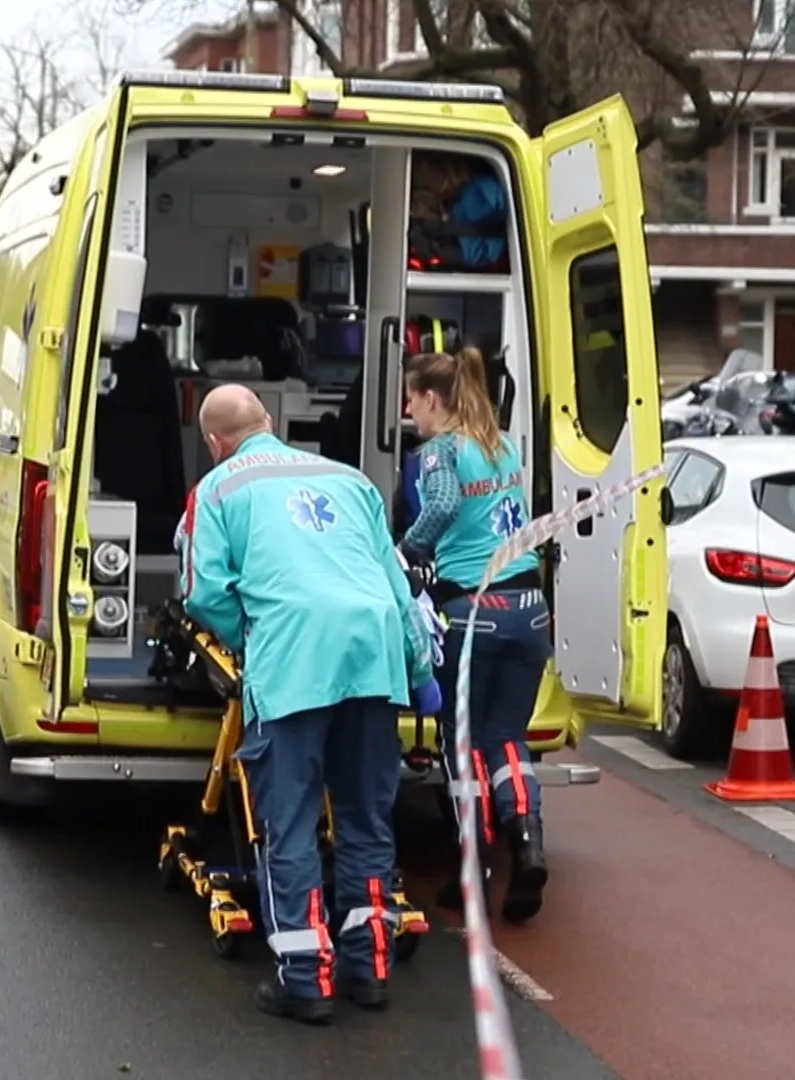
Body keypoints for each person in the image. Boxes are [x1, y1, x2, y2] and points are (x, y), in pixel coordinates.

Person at [182, 384, 442, 1024]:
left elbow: (202, 593)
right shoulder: (351, 482)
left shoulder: (217, 491)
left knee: (291, 825)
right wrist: (419, 670)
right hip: (371, 657)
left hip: (294, 663)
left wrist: (255, 640)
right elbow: (396, 586)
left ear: (216, 442)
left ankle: (304, 980)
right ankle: (370, 968)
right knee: (366, 821)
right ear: (269, 421)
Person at [398, 347, 551, 925]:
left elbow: (438, 508)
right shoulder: (503, 442)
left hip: (471, 612)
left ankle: (474, 867)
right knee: (508, 739)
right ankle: (527, 841)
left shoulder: (439, 452)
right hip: (529, 609)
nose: (409, 411)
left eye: (411, 399)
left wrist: (403, 554)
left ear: (432, 398)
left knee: (461, 747)